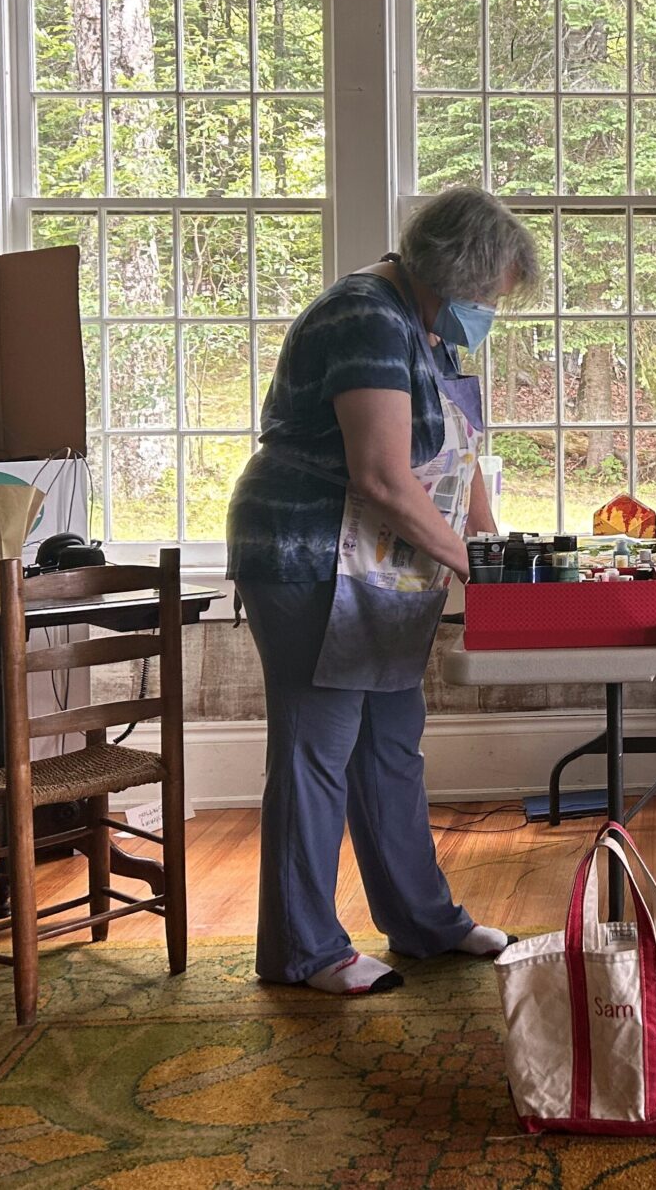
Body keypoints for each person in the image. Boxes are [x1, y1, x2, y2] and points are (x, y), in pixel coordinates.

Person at [226, 188, 539, 995]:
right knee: (316, 750)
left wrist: (491, 536)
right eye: (490, 295)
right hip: (309, 559)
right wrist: (477, 568)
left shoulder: (425, 331)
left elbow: (456, 457)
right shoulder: (365, 316)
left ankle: (422, 920)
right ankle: (304, 950)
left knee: (390, 743)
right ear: (455, 272)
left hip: (379, 567)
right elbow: (381, 478)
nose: (490, 312)